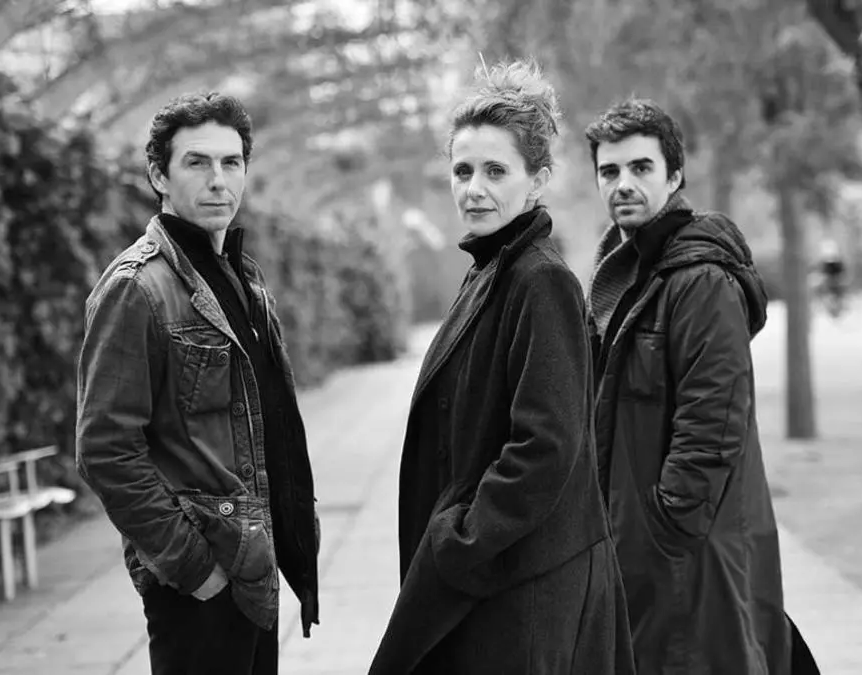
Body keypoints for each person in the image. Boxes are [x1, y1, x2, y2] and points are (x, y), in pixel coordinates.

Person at [368, 60, 635, 675]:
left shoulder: (540, 281)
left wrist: (460, 539)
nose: (474, 189)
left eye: (495, 171)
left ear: (536, 181)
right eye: (463, 171)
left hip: (525, 585)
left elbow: (547, 444)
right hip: (496, 575)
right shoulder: (491, 271)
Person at [75, 92, 319, 675]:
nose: (218, 181)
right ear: (159, 175)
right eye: (197, 162)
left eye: (231, 163)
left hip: (253, 567)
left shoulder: (241, 278)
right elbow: (105, 448)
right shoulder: (137, 288)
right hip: (202, 580)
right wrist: (194, 568)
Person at [585, 97, 811, 674]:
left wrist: (669, 523)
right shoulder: (619, 275)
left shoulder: (700, 279)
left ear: (675, 176)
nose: (623, 184)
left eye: (641, 167)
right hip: (637, 541)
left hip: (690, 543)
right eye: (609, 171)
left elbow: (713, 422)